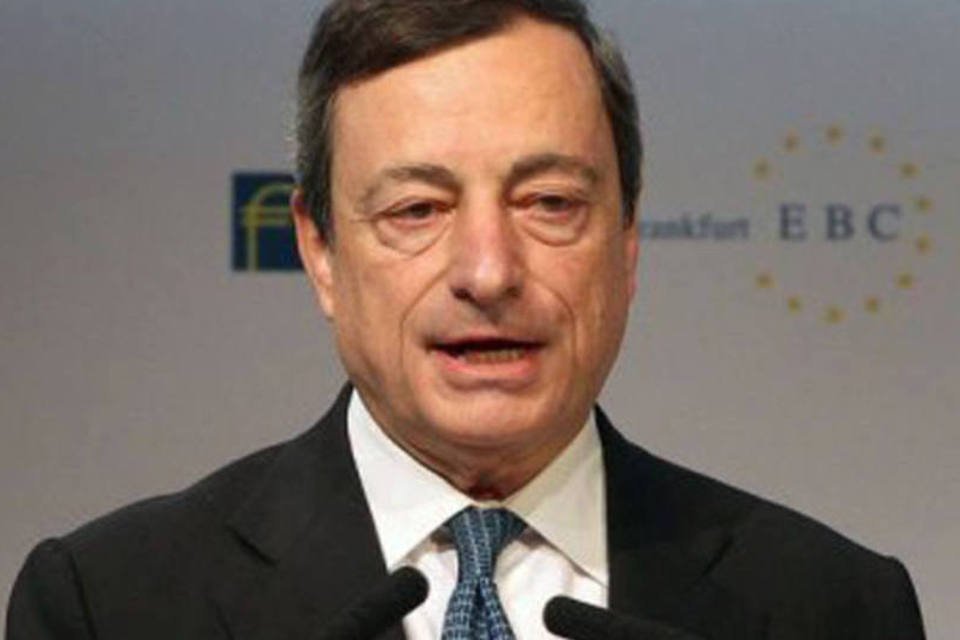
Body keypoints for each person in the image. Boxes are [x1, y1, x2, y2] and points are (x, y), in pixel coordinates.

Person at [6, 1, 925, 638]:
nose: (489, 272)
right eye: (417, 210)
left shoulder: (835, 607)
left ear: (627, 239)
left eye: (550, 202)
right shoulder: (108, 605)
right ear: (320, 250)